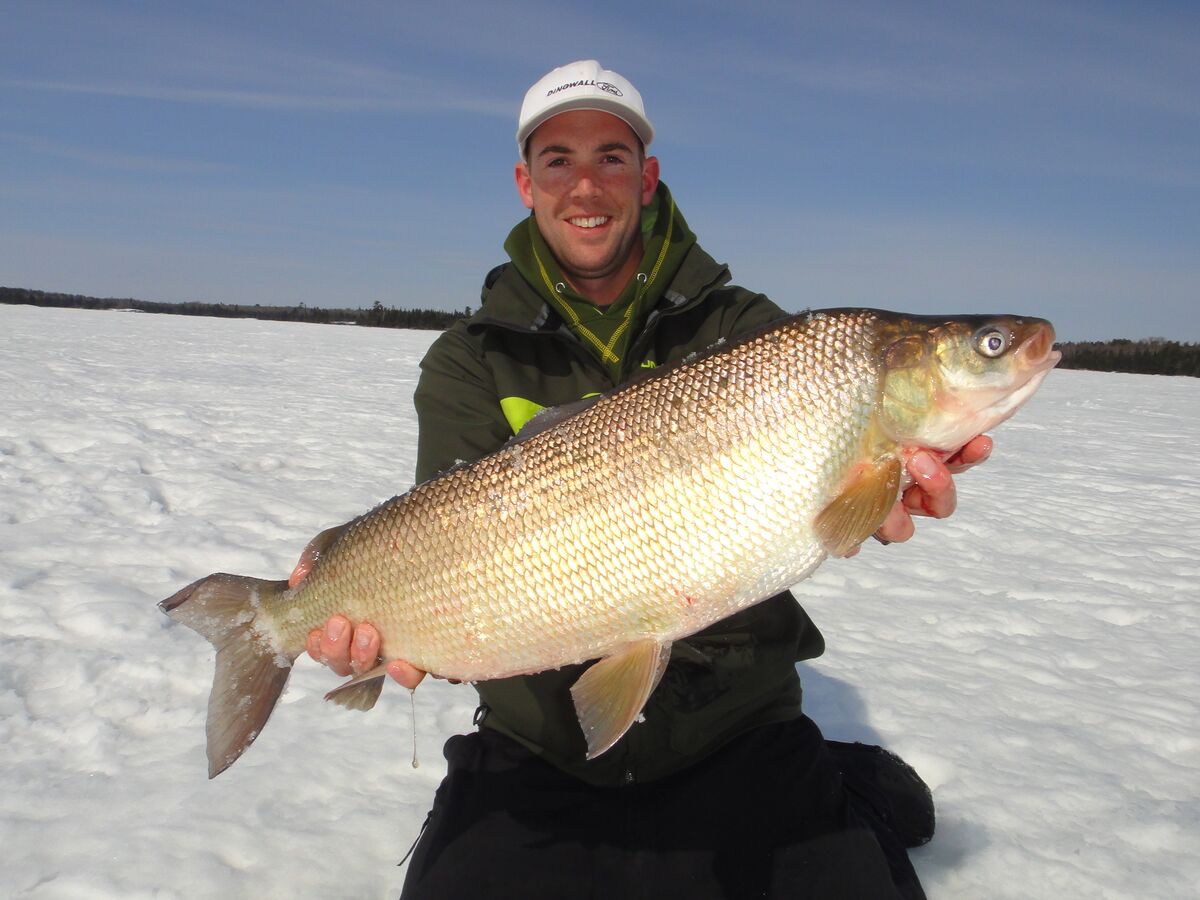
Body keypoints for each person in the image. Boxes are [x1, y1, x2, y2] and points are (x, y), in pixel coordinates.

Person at [295, 60, 992, 899]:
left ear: (647, 176)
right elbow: (447, 546)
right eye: (558, 160)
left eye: (612, 157)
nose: (586, 184)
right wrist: (381, 623)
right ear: (526, 181)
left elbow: (834, 513)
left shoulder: (754, 335)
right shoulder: (468, 361)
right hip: (537, 748)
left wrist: (884, 498)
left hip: (740, 731)